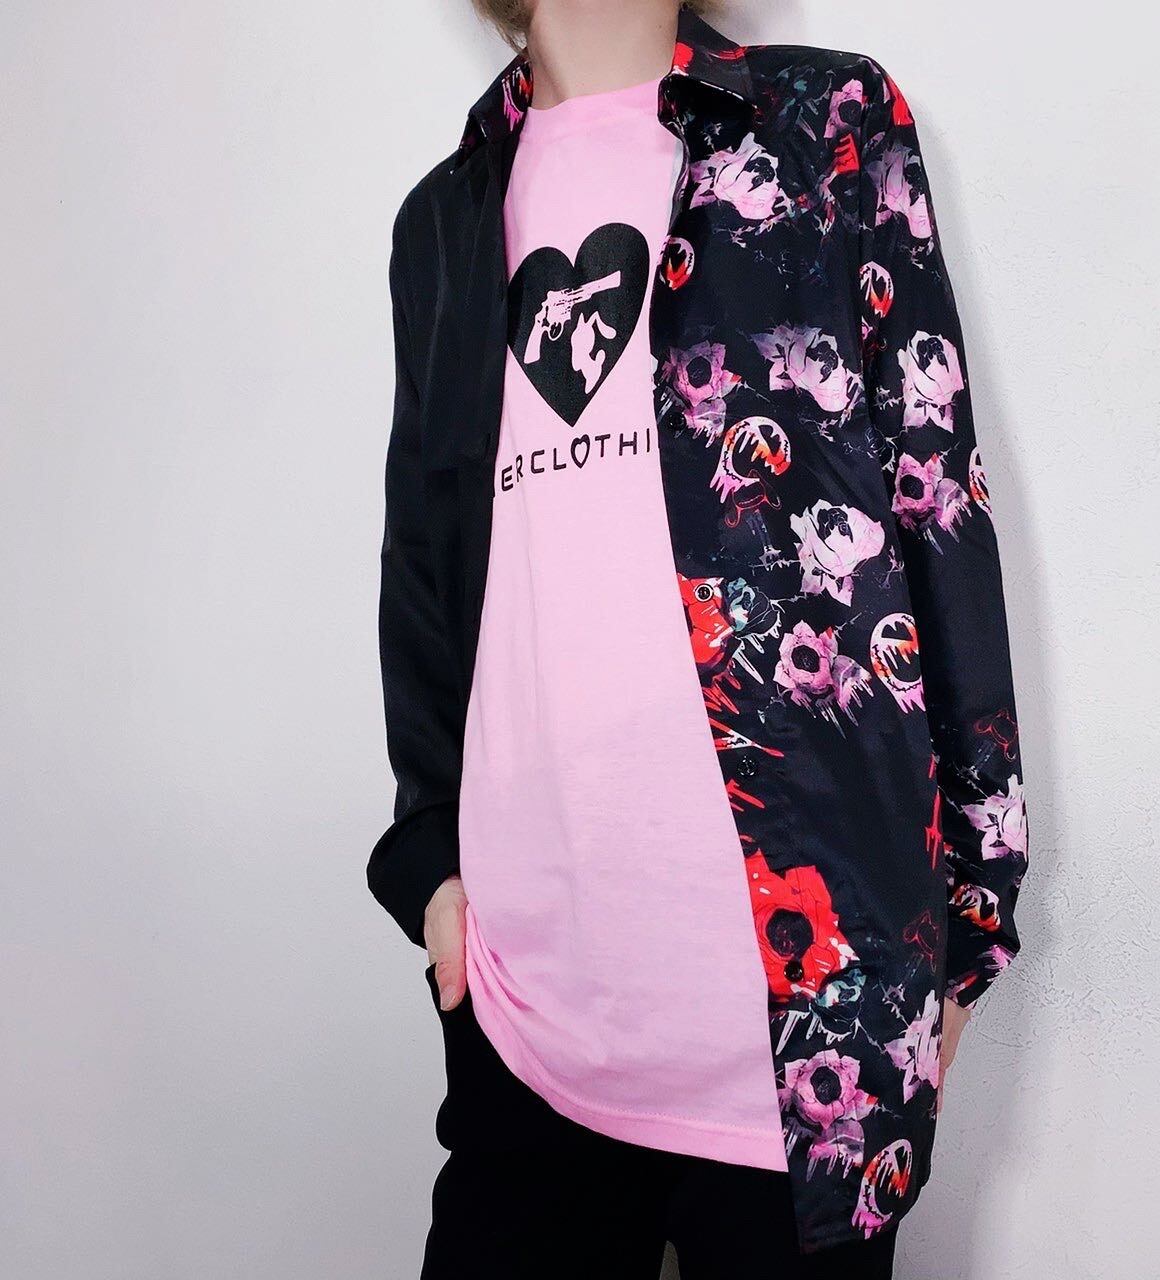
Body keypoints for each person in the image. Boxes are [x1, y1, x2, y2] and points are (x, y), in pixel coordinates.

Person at [367, 2, 1029, 1275]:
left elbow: (934, 495)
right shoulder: (442, 218)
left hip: (810, 1021)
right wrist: (432, 870)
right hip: (525, 1012)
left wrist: (969, 918)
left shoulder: (826, 123)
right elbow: (425, 568)